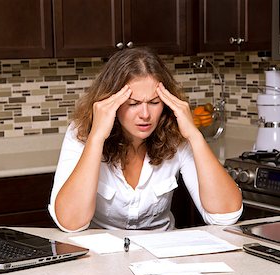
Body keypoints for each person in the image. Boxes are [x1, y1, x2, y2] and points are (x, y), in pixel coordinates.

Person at [48, 47, 243, 232]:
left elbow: (225, 215)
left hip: (163, 256)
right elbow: (70, 223)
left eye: (154, 102)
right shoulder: (81, 133)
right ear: (111, 102)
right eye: (133, 103)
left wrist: (195, 136)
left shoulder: (176, 133)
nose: (145, 114)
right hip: (102, 260)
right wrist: (96, 138)